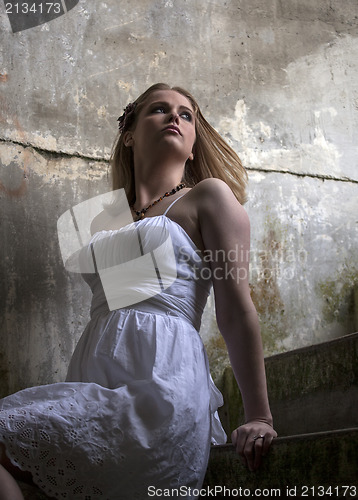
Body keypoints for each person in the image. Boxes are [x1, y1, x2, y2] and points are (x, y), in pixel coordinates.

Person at [0, 83, 277, 499]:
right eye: (160, 109)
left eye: (186, 115)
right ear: (129, 133)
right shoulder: (101, 220)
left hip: (160, 388)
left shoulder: (209, 197)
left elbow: (236, 311)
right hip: (92, 380)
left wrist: (260, 416)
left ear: (194, 140)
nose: (175, 118)